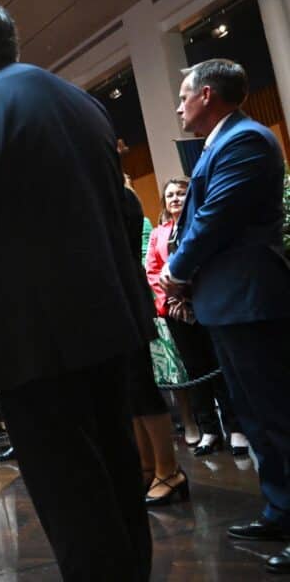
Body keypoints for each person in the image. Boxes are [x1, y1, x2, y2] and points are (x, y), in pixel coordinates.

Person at [0, 0, 153, 581]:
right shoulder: (82, 103)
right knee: (120, 475)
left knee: (71, 495)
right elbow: (124, 213)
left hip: (31, 343)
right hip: (108, 324)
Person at [163, 58, 290, 574]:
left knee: (279, 415)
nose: (178, 105)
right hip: (228, 299)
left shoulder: (245, 140)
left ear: (207, 95)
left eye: (184, 95)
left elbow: (216, 218)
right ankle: (281, 508)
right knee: (255, 415)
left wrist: (176, 269)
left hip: (250, 297)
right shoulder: (222, 141)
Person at [146, 178, 248, 457]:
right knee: (195, 369)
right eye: (170, 195)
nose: (175, 198)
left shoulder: (198, 226)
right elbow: (153, 269)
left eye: (181, 193)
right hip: (175, 308)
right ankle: (209, 430)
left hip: (205, 301)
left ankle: (236, 428)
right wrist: (168, 291)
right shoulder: (158, 233)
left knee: (218, 365)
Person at [118, 185, 188, 507]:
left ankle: (168, 470)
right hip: (113, 304)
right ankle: (147, 466)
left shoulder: (124, 197)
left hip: (126, 301)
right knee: (129, 393)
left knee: (142, 389)